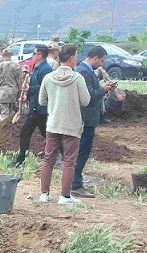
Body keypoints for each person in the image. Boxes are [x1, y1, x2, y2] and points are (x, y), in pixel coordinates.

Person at [36, 44, 91, 206]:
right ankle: (64, 196)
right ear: (72, 57)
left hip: (53, 124)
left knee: (48, 159)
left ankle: (44, 194)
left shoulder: (48, 77)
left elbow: (41, 101)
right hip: (71, 126)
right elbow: (86, 101)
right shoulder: (77, 78)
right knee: (69, 161)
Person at [72, 46, 115, 199]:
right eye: (102, 61)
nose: (102, 64)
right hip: (86, 119)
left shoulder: (86, 71)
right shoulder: (84, 72)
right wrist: (103, 89)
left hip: (88, 119)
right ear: (96, 58)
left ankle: (75, 183)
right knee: (81, 152)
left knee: (81, 152)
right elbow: (88, 97)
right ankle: (75, 185)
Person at [11, 45, 54, 166]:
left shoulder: (46, 70)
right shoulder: (37, 67)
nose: (32, 55)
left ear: (40, 55)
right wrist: (27, 95)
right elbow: (35, 87)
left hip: (41, 109)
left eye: (34, 53)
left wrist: (30, 88)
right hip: (35, 107)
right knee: (45, 133)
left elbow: (46, 88)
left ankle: (20, 160)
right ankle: (21, 159)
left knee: (27, 132)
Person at [0, 50, 22, 125]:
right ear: (10, 55)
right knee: (11, 114)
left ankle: (3, 130)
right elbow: (20, 82)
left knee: (4, 115)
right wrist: (19, 94)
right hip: (13, 92)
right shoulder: (17, 66)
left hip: (3, 93)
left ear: (3, 55)